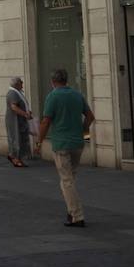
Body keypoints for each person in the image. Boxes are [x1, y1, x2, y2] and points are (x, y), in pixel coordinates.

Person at [37, 68, 94, 227]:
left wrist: (38, 142)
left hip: (61, 143)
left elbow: (46, 121)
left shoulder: (53, 96)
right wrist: (82, 130)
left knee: (67, 180)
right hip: (77, 143)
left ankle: (77, 215)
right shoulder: (77, 95)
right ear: (66, 80)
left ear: (52, 82)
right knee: (69, 178)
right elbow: (90, 116)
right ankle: (71, 212)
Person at [5, 76, 33, 167]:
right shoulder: (13, 93)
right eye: (21, 82)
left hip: (20, 120)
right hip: (14, 120)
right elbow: (14, 107)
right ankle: (15, 158)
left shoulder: (17, 92)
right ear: (17, 84)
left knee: (21, 138)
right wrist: (25, 114)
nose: (22, 84)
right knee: (16, 138)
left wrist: (27, 111)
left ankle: (17, 158)